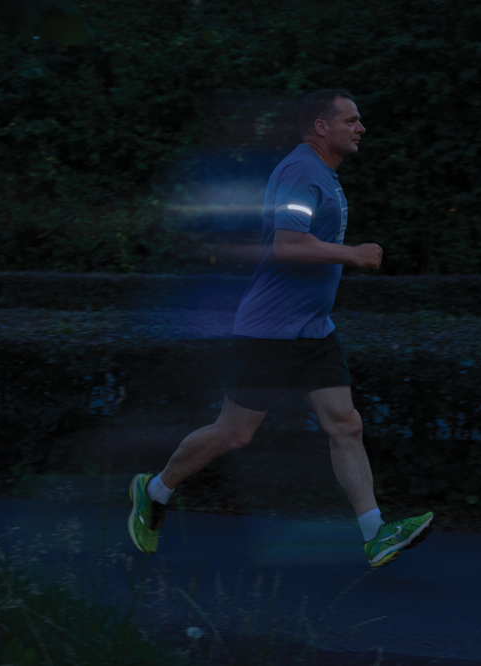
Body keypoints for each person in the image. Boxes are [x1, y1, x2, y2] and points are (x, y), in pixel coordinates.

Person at [128, 88, 433, 568]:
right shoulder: (302, 171)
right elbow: (288, 244)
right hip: (270, 330)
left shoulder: (323, 174)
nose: (361, 128)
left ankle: (376, 534)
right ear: (321, 126)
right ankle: (154, 490)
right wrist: (353, 254)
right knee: (234, 433)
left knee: (346, 424)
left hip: (313, 330)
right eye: (351, 120)